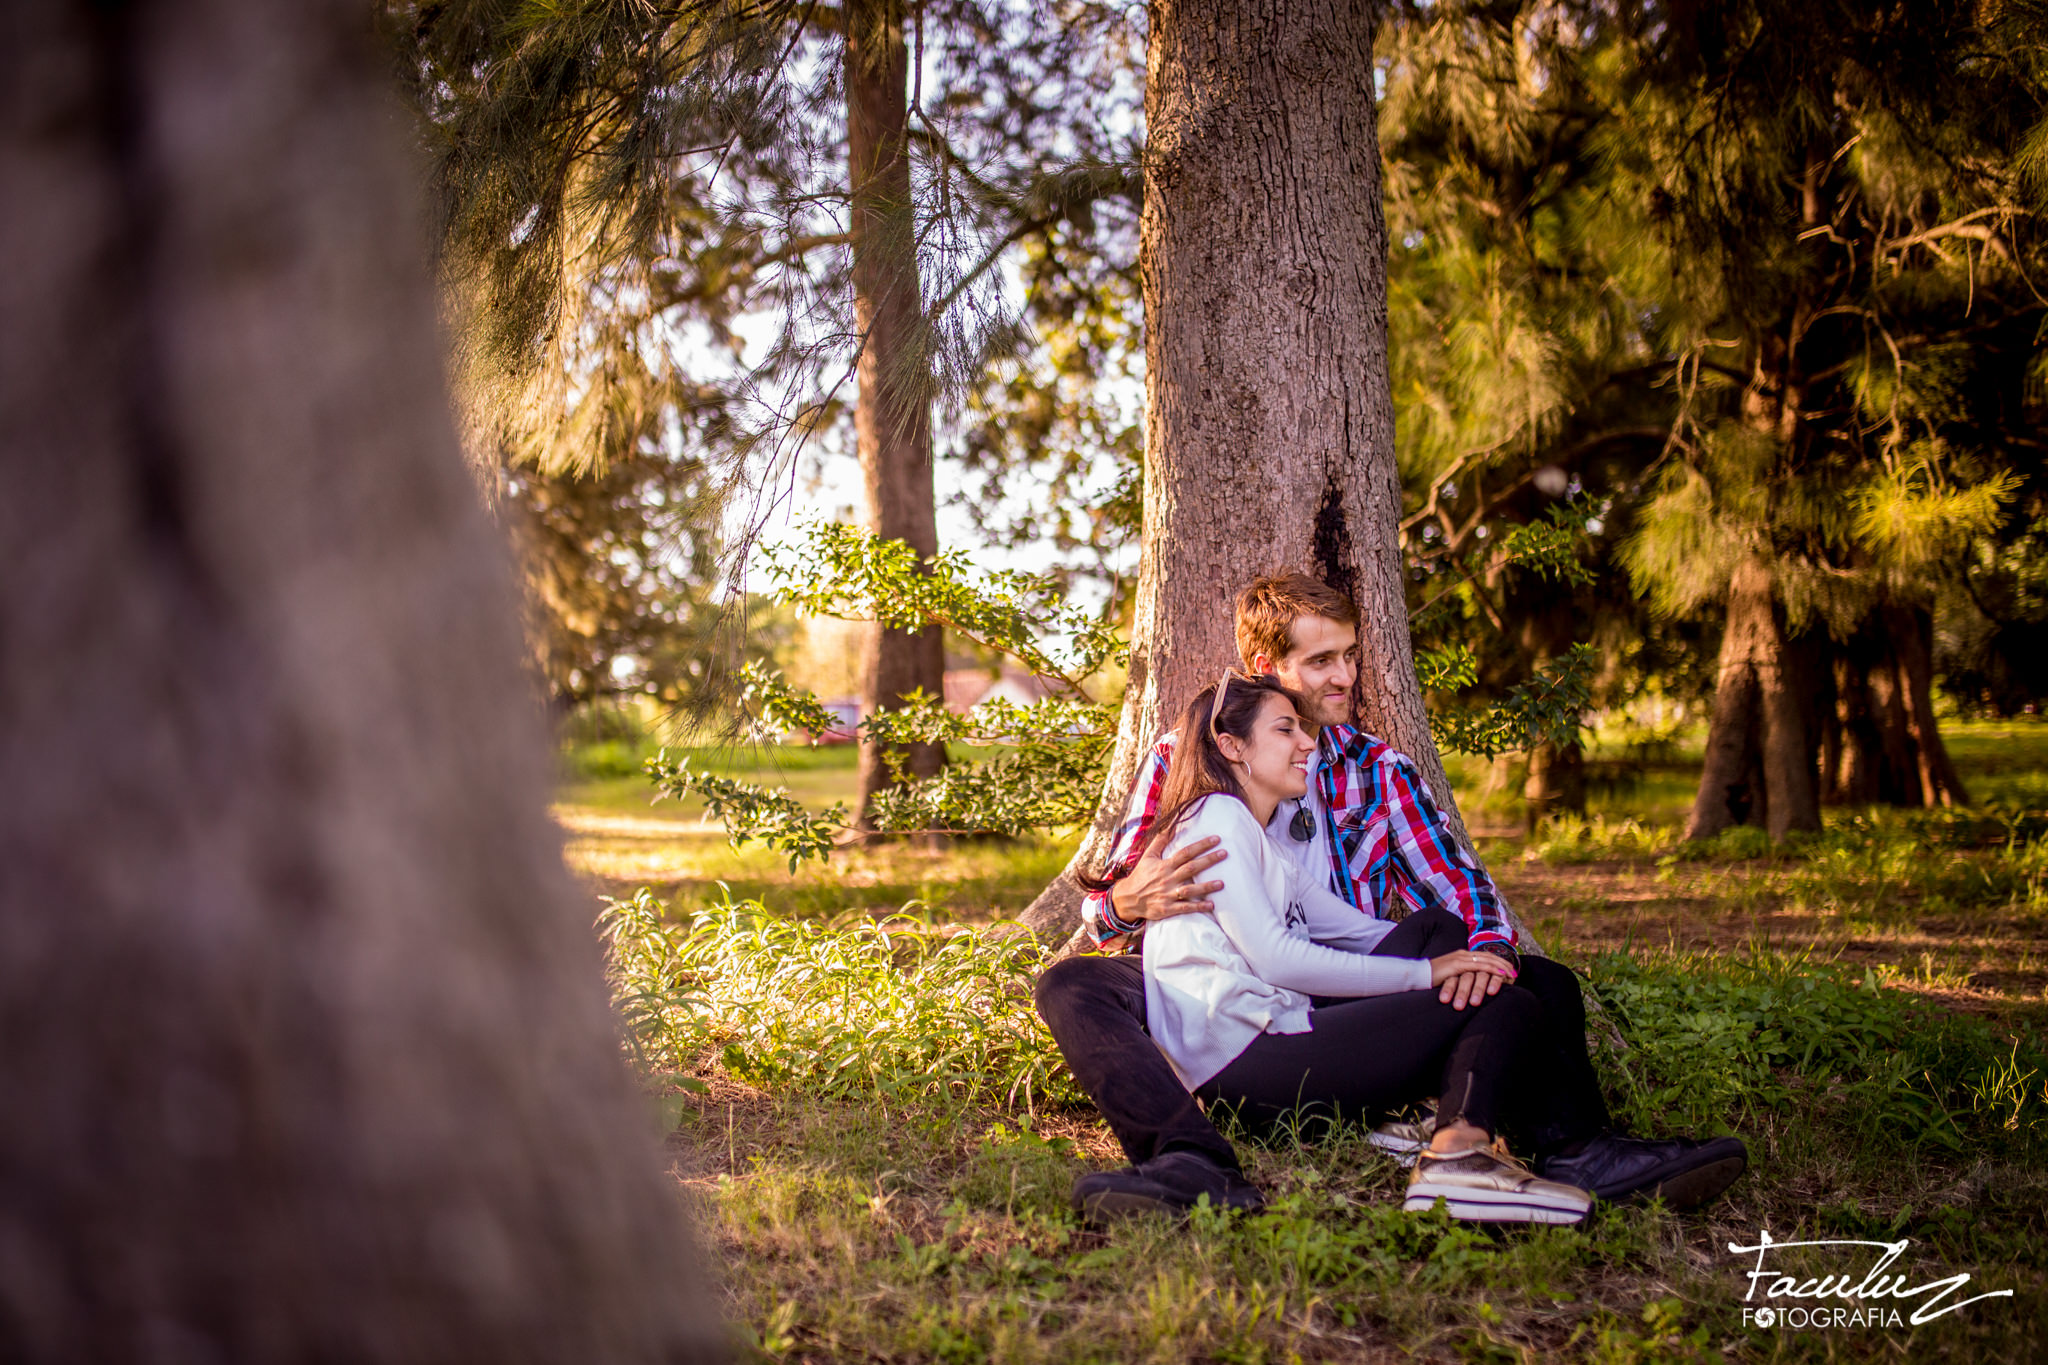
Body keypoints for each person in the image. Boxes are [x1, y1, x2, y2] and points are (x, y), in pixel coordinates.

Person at [1036, 573, 1748, 1221]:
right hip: (1231, 990)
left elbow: (1457, 891)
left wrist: (1478, 962)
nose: (1345, 675)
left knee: (1537, 981)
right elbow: (1111, 912)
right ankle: (1186, 1157)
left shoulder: (1378, 767)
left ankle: (1571, 1150)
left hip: (1341, 995)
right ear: (1265, 675)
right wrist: (1126, 901)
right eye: (1321, 661)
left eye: (1349, 654)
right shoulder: (1188, 755)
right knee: (1071, 982)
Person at [1121, 671, 1593, 1223]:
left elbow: (1360, 934)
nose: (1307, 743)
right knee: (1505, 1003)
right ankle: (1458, 1156)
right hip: (1247, 1060)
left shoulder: (1260, 836)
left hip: (1274, 1040)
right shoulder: (1217, 817)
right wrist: (1428, 977)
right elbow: (1277, 957)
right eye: (1285, 731)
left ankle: (1413, 1121)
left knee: (1445, 931)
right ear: (1231, 746)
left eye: (1304, 730)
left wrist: (1463, 961)